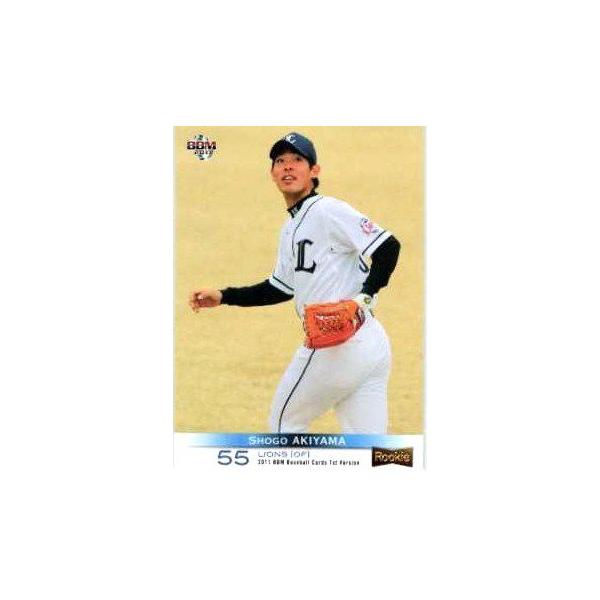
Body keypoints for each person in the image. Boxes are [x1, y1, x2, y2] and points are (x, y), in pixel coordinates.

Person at [189, 132, 400, 434]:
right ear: (272, 173)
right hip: (370, 346)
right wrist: (224, 296)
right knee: (371, 447)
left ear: (314, 171)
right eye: (280, 161)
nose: (288, 166)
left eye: (297, 160)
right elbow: (280, 288)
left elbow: (388, 247)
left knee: (284, 423)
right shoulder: (291, 227)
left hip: (336, 346)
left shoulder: (327, 210)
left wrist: (363, 298)